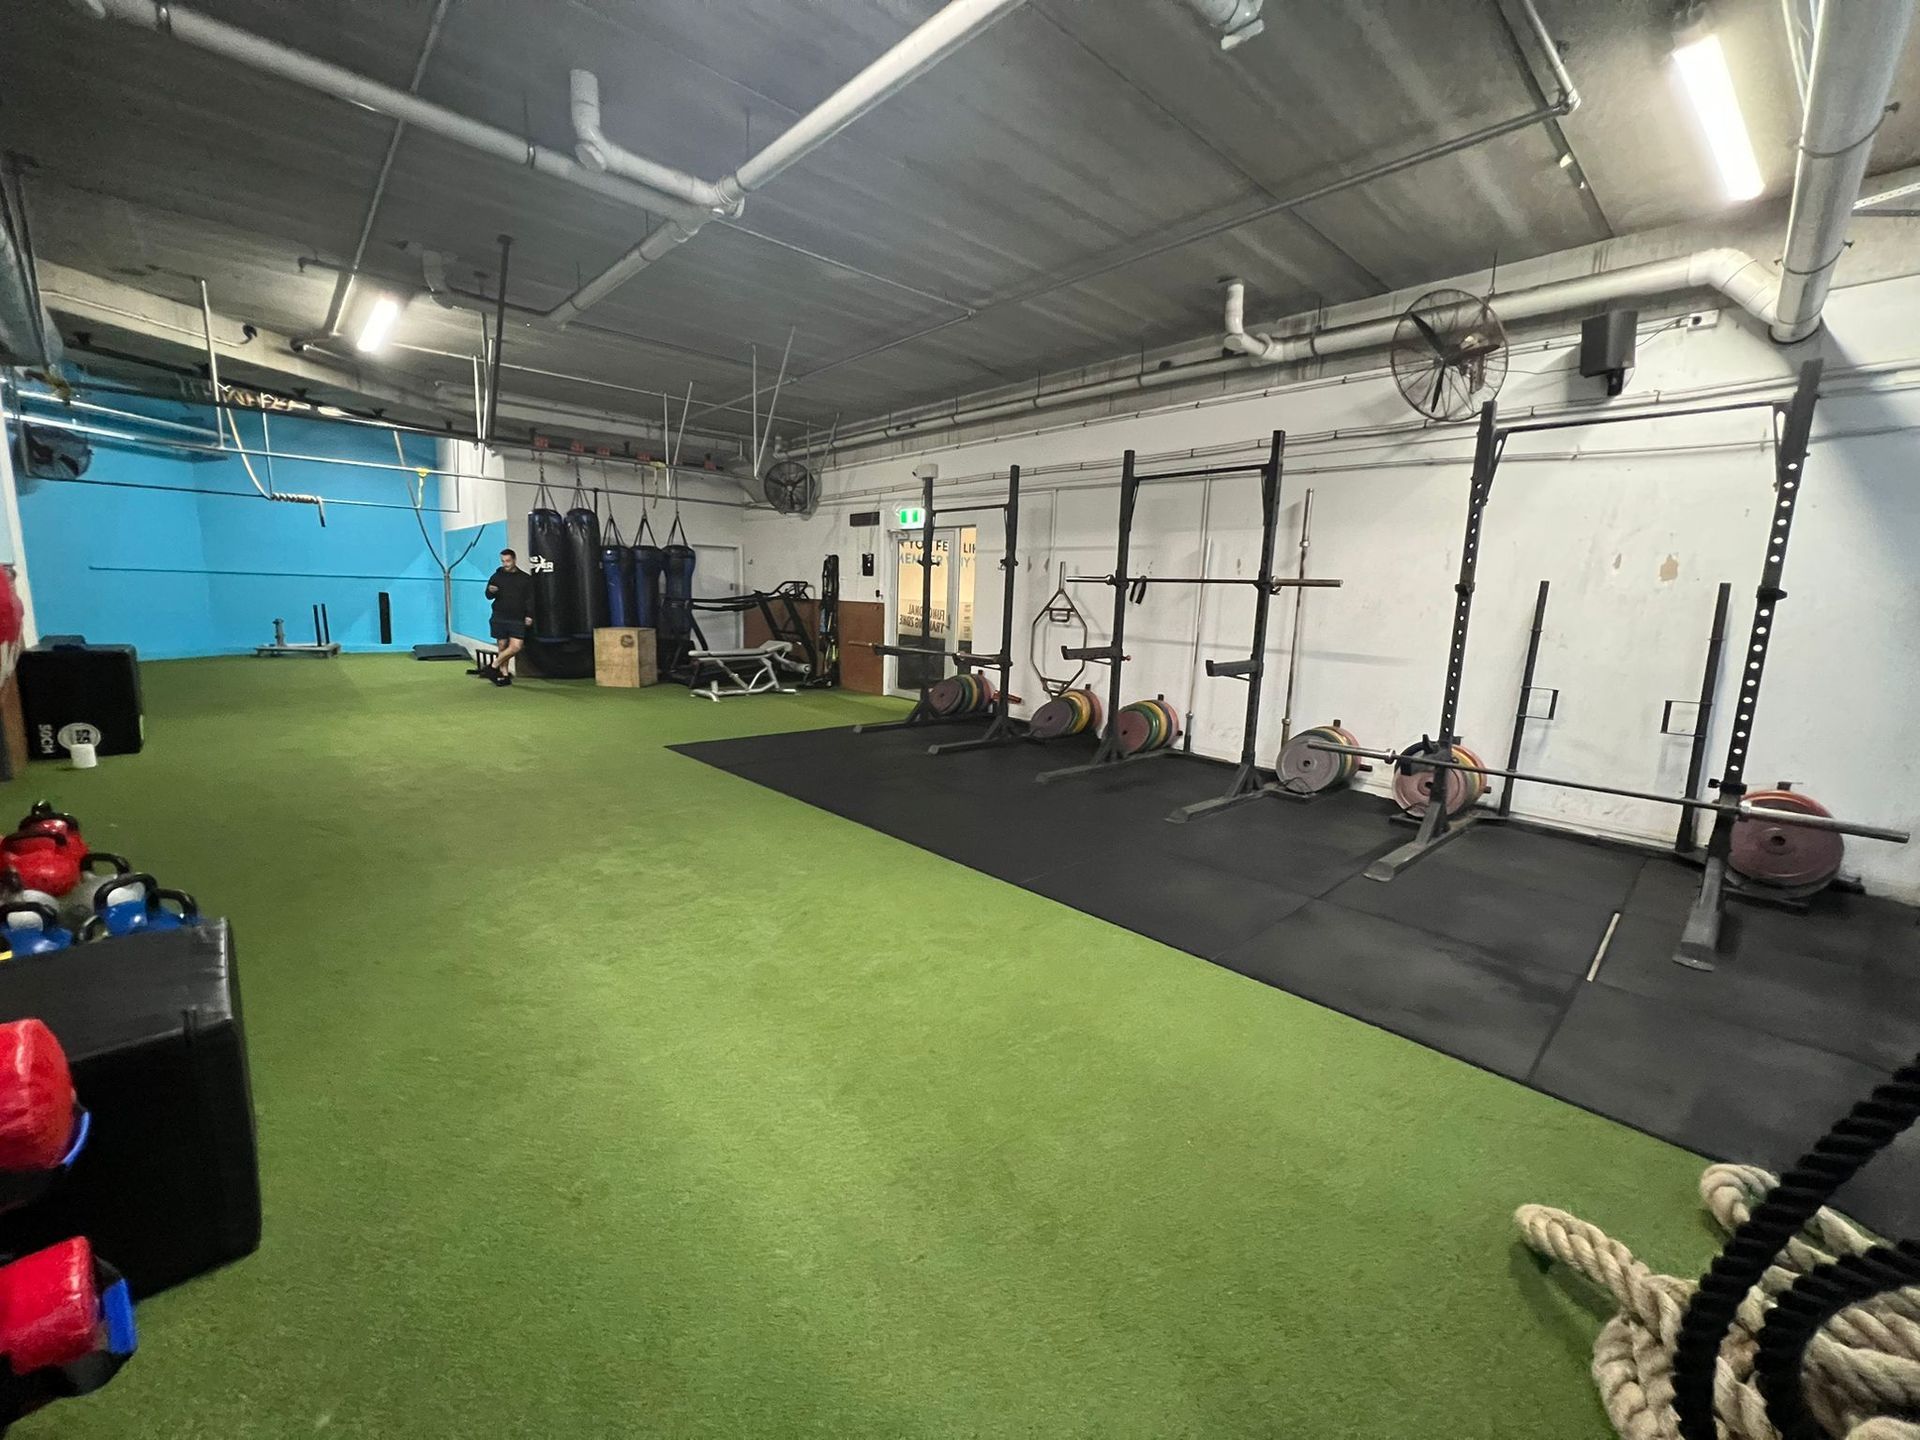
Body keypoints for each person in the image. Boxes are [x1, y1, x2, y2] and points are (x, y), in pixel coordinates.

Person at [481, 548, 535, 687]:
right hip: (499, 616)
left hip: (517, 617)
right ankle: (503, 675)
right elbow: (488, 596)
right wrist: (490, 591)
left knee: (516, 646)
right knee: (502, 646)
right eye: (503, 561)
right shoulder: (496, 576)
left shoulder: (525, 579)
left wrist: (529, 615)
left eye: (508, 561)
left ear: (514, 560)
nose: (505, 564)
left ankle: (493, 666)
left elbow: (530, 599)